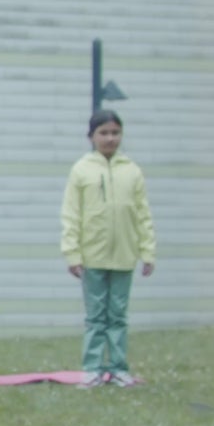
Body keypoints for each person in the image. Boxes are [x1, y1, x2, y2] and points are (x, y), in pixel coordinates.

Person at [61, 109, 155, 388]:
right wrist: (72, 253)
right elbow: (71, 213)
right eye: (103, 133)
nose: (110, 138)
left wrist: (147, 252)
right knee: (95, 316)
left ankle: (118, 368)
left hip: (124, 255)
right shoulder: (81, 170)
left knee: (118, 315)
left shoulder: (132, 170)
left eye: (115, 133)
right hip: (93, 256)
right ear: (91, 136)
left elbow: (143, 214)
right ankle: (92, 368)